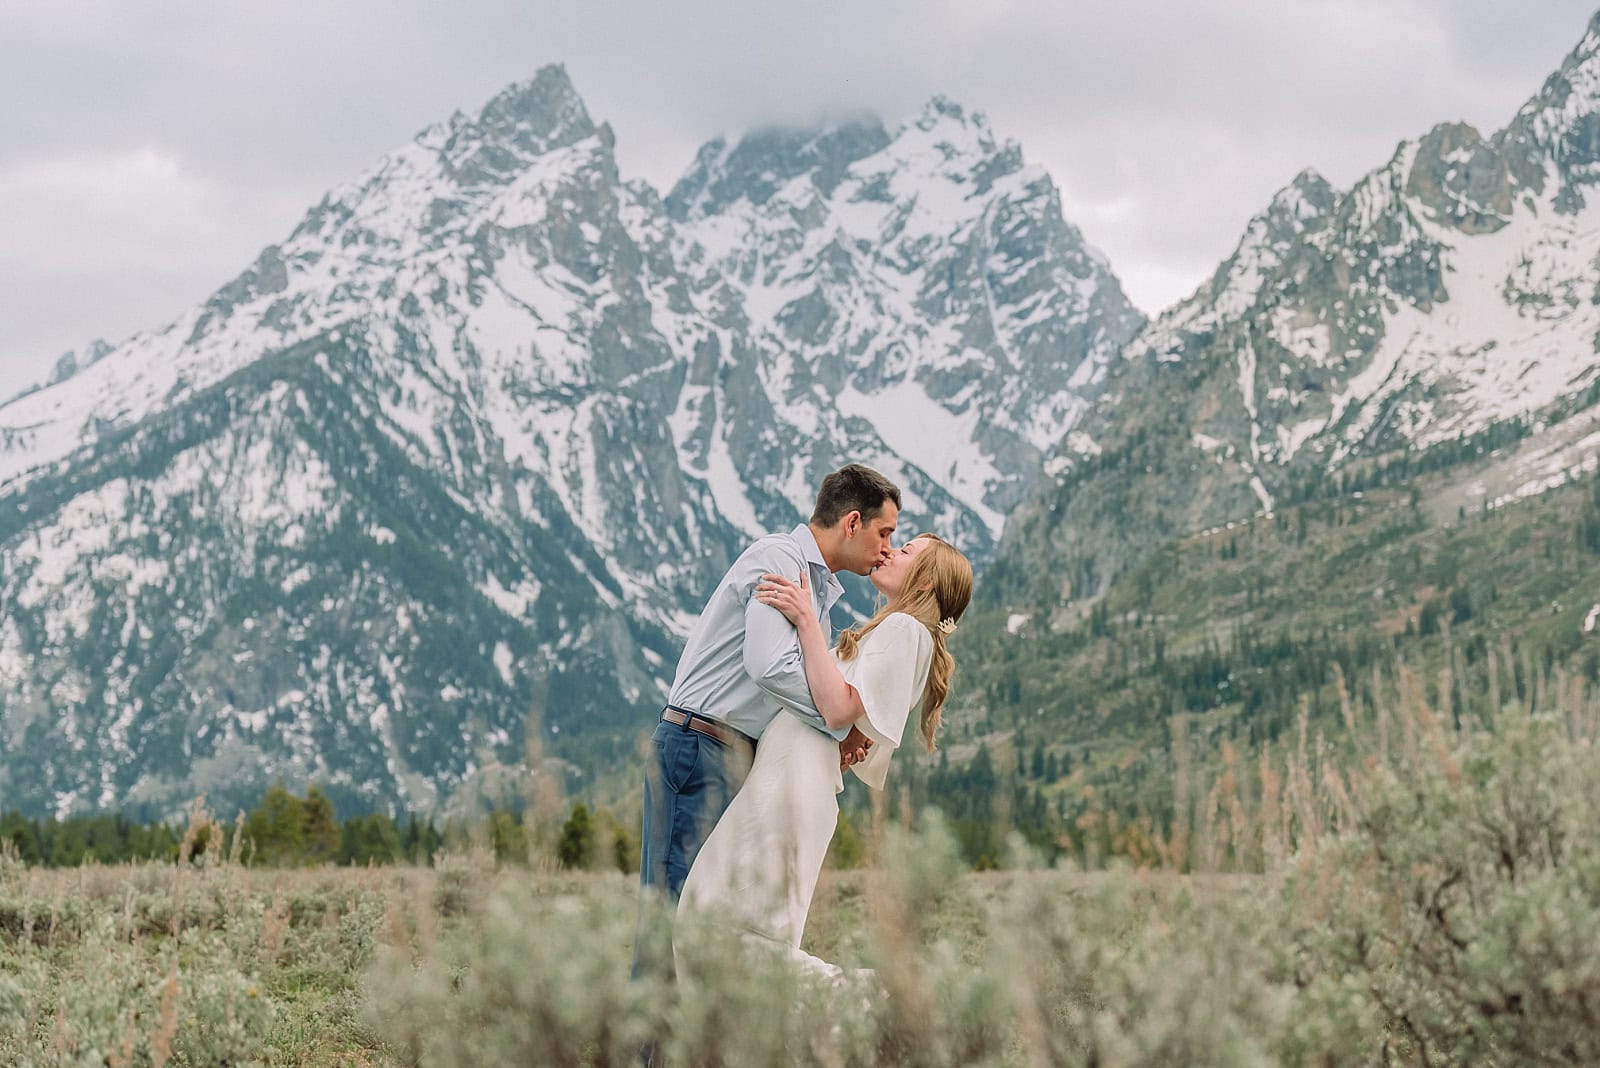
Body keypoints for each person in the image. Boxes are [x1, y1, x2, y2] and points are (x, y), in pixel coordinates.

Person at [630, 463, 902, 983]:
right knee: (670, 927)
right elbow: (770, 665)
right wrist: (837, 726)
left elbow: (783, 690)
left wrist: (832, 734)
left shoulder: (815, 598)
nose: (888, 548)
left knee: (704, 927)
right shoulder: (779, 562)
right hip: (698, 747)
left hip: (731, 758)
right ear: (851, 523)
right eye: (884, 532)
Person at [674, 532, 973, 983]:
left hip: (791, 786)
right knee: (723, 925)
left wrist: (805, 620)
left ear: (926, 583)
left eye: (906, 550)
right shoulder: (902, 633)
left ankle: (884, 1003)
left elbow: (837, 707)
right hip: (789, 780)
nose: (891, 550)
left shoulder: (905, 630)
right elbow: (852, 730)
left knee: (722, 928)